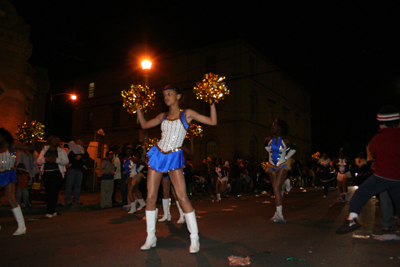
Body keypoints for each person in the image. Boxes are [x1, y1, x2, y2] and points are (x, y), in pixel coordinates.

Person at [137, 85, 217, 253]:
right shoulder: (162, 116)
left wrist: (212, 101)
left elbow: (212, 121)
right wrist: (138, 106)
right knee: (151, 196)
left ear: (179, 96)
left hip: (174, 156)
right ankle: (150, 237)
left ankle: (194, 238)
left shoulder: (187, 114)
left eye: (169, 94)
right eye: (164, 94)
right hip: (158, 154)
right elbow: (144, 124)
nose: (166, 97)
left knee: (182, 197)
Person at [336, 105, 400, 234]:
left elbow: (373, 153)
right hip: (398, 177)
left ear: (381, 123)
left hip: (382, 175)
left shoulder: (377, 138)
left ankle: (352, 219)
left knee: (360, 195)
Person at [0, 128, 37, 235]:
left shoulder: (13, 146)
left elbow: (31, 147)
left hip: (8, 173)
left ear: (3, 136)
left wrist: (32, 137)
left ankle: (21, 226)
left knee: (10, 199)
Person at [264, 118, 296, 223]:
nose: (272, 127)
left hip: (282, 165)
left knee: (276, 188)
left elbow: (293, 149)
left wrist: (286, 158)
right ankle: (284, 183)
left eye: (274, 126)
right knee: (275, 188)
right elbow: (267, 149)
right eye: (272, 126)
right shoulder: (268, 139)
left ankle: (279, 214)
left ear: (280, 128)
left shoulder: (286, 141)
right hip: (272, 166)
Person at [37, 135, 69, 218]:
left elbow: (66, 162)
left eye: (57, 141)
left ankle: (51, 211)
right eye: (54, 140)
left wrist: (56, 160)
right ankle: (51, 211)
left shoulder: (61, 151)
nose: (56, 142)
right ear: (50, 141)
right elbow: (38, 161)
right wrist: (45, 160)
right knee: (48, 192)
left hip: (57, 173)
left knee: (54, 192)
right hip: (47, 173)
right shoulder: (44, 150)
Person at [65, 139, 88, 205]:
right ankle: (68, 200)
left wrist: (81, 156)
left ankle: (76, 199)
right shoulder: (72, 150)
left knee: (77, 185)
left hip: (79, 169)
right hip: (72, 169)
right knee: (69, 185)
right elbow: (69, 156)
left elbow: (87, 156)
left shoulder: (82, 150)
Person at [125, 147, 146, 214]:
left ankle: (133, 208)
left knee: (130, 191)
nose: (128, 152)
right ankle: (142, 203)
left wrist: (137, 171)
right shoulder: (125, 159)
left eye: (130, 150)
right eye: (127, 150)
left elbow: (143, 164)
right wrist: (128, 177)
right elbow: (127, 170)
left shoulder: (134, 159)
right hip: (131, 176)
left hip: (136, 176)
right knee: (136, 190)